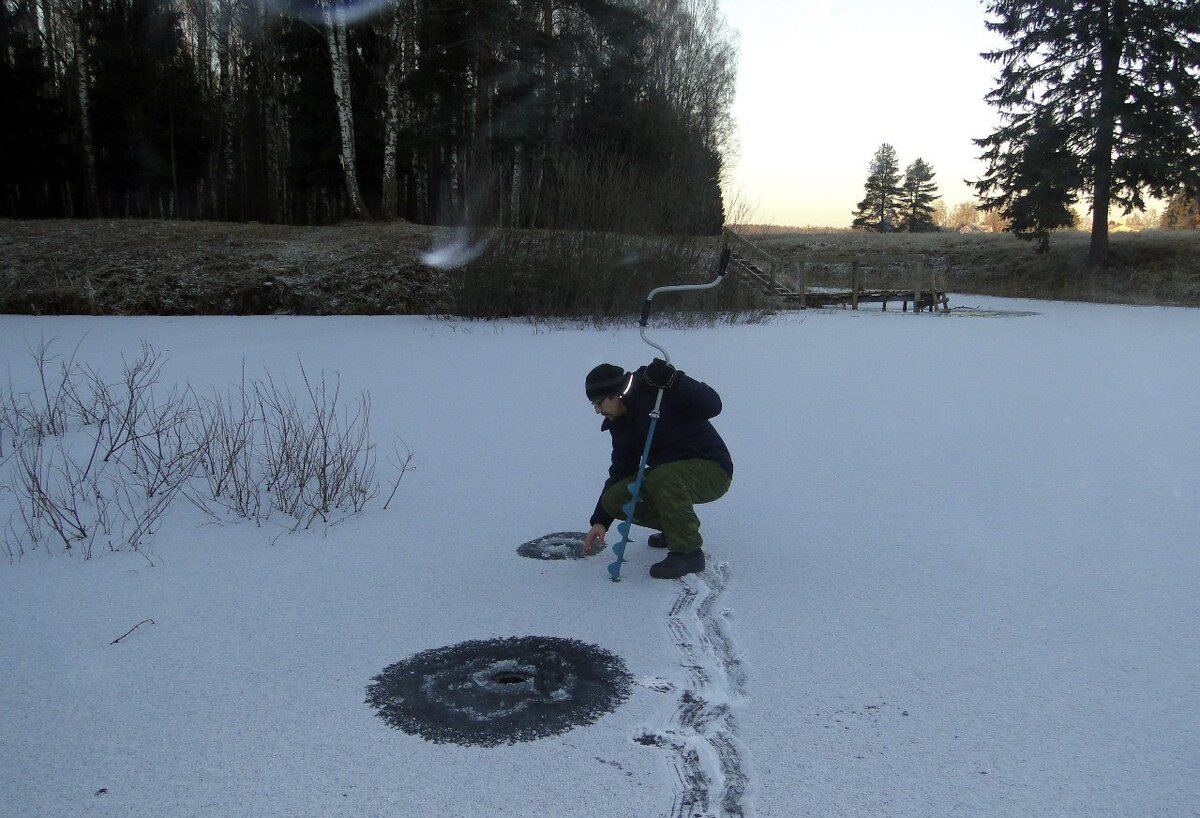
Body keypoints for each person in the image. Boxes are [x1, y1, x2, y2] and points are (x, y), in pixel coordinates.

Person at [582, 360, 733, 579]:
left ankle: (688, 552)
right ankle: (678, 528)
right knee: (615, 499)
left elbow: (712, 405)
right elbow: (621, 471)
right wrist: (600, 522)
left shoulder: (657, 390)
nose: (597, 410)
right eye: (593, 404)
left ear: (616, 394)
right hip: (670, 475)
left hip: (712, 469)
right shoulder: (621, 424)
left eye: (599, 402)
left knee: (662, 476)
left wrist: (677, 382)